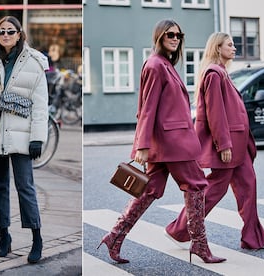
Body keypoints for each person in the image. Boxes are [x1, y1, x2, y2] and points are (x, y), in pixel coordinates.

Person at [97, 19, 226, 264]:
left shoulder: (165, 64)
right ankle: (199, 246)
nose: (175, 38)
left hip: (169, 143)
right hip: (172, 144)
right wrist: (142, 146)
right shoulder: (156, 65)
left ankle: (114, 237)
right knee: (197, 186)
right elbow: (147, 108)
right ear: (159, 36)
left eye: (179, 35)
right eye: (170, 34)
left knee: (149, 190)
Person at [165, 32, 264, 250]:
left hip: (239, 145)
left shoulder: (222, 72)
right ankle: (179, 229)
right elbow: (216, 113)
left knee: (248, 186)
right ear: (217, 48)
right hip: (229, 145)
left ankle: (253, 238)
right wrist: (223, 144)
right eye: (230, 45)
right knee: (215, 188)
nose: (234, 48)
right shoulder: (214, 74)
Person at [0, 16, 49, 264]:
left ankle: (37, 238)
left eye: (11, 31)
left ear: (20, 34)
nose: (6, 35)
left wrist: (37, 139)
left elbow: (41, 105)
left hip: (22, 135)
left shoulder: (34, 62)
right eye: (1, 31)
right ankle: (4, 236)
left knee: (25, 187)